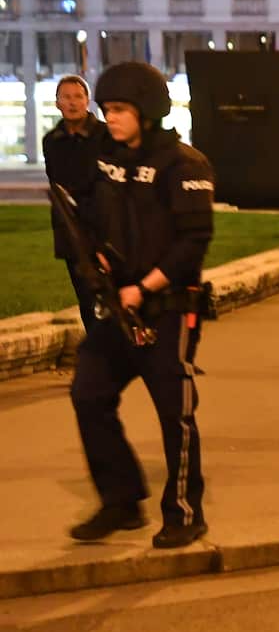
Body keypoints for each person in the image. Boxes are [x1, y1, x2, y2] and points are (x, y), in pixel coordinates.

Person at [67, 62, 215, 548]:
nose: (110, 118)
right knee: (88, 393)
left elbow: (194, 241)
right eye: (107, 109)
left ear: (146, 112)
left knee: (175, 413)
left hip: (169, 309)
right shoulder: (106, 159)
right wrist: (104, 262)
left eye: (121, 110)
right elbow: (93, 217)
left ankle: (184, 512)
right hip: (118, 308)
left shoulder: (184, 164)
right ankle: (121, 501)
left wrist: (144, 286)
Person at [43, 74, 108, 330]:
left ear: (87, 101)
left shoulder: (105, 136)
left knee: (110, 294)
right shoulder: (52, 141)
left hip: (103, 226)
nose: (72, 102)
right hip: (70, 229)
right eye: (66, 97)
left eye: (78, 96)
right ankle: (99, 353)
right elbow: (56, 181)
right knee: (85, 295)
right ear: (57, 103)